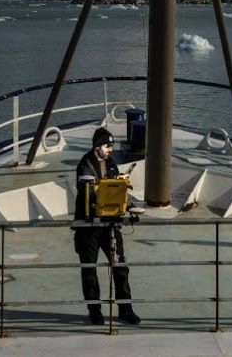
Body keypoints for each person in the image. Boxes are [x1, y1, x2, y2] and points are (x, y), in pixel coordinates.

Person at [73, 126, 139, 325]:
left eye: (111, 146)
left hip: (110, 224)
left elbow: (114, 190)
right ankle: (95, 311)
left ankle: (125, 309)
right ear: (97, 146)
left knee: (120, 267)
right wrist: (107, 186)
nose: (110, 149)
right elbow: (89, 191)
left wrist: (123, 191)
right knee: (89, 269)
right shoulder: (85, 165)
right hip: (89, 227)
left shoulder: (111, 164)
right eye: (107, 145)